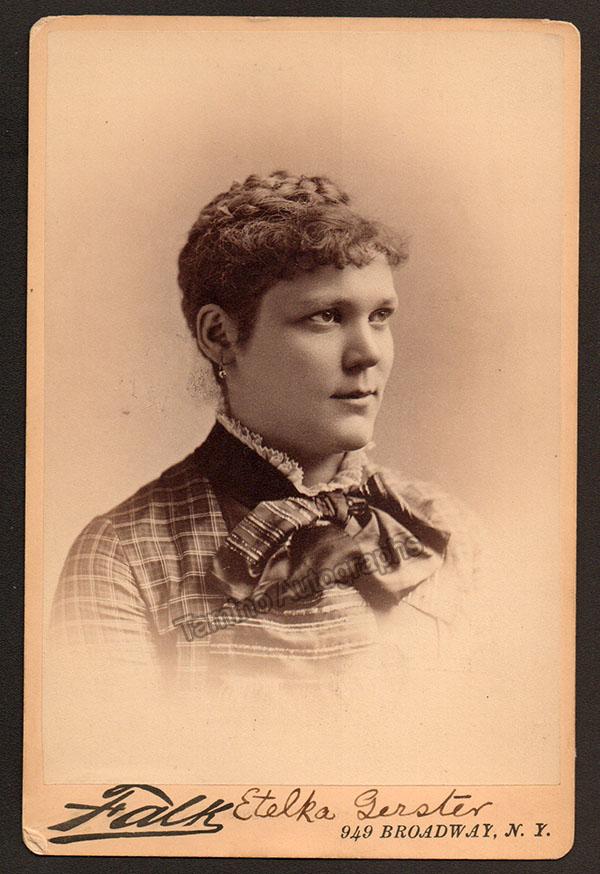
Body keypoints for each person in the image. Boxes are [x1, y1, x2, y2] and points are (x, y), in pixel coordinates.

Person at [50, 170, 483, 697]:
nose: (368, 353)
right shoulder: (123, 556)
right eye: (327, 316)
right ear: (220, 335)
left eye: (380, 316)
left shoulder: (445, 528)